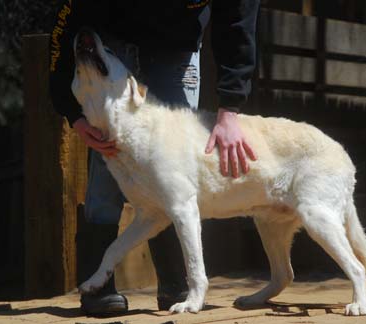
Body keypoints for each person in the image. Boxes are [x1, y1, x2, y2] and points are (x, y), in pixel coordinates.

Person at [49, 0, 260, 316]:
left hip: (177, 45)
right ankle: (97, 285)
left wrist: (230, 108)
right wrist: (74, 114)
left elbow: (238, 21)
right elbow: (66, 29)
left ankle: (177, 283)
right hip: (111, 41)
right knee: (109, 157)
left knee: (173, 168)